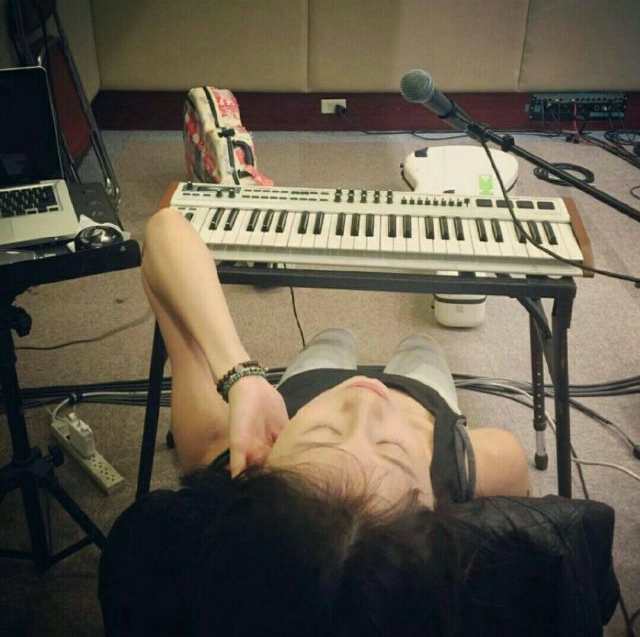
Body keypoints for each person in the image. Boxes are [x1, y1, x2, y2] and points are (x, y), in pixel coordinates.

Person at [99, 207, 533, 637]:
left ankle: (339, 352)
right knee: (423, 347)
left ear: (259, 465)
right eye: (392, 450)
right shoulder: (468, 470)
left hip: (311, 383)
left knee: (332, 338)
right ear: (435, 506)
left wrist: (241, 376)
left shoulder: (222, 447)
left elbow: (165, 230)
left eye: (323, 435)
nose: (365, 401)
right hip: (421, 394)